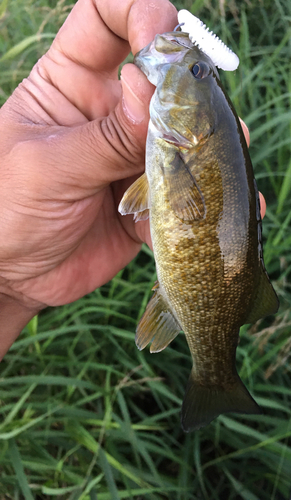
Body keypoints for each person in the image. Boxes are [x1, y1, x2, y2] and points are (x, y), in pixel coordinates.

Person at [0, 0, 265, 360]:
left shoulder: (183, 145)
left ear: (201, 125)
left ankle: (213, 368)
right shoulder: (187, 142)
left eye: (199, 72)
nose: (193, 65)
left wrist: (10, 284)